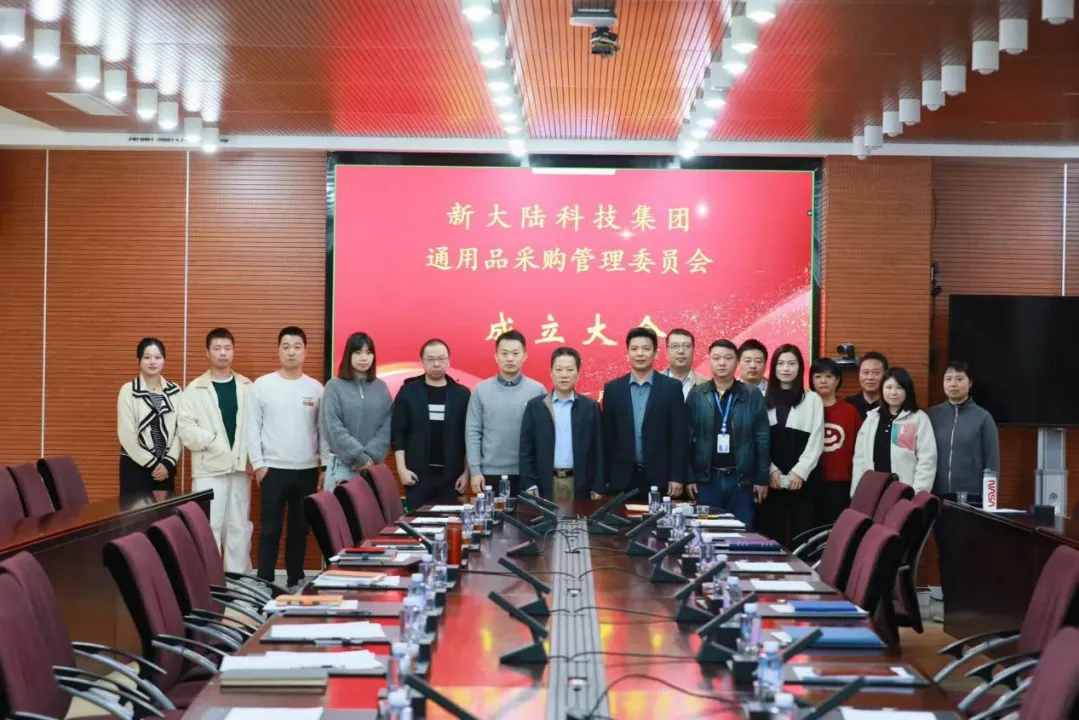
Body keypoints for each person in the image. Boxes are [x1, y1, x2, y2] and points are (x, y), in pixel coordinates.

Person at [248, 326, 328, 591]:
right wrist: (258, 465)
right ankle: (265, 580)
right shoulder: (262, 385)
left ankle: (295, 579)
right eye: (286, 346)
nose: (291, 352)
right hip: (272, 469)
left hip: (306, 470)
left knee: (299, 529)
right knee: (270, 529)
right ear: (278, 351)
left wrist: (323, 466)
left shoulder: (316, 388)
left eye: (297, 347)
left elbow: (323, 431)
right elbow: (252, 428)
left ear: (305, 351)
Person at [177, 328, 254, 573]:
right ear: (207, 352)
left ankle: (237, 582)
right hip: (208, 469)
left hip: (240, 468)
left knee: (238, 527)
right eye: (217, 348)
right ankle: (210, 584)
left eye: (227, 348)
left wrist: (253, 459)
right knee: (209, 527)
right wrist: (213, 441)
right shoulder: (195, 389)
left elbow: (256, 427)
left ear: (233, 351)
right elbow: (186, 430)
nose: (223, 353)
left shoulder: (247, 386)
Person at [686, 339, 770, 525]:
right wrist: (689, 477)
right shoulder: (697, 394)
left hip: (741, 480)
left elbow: (762, 438)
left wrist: (761, 479)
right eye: (716, 358)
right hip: (707, 480)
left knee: (741, 532)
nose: (722, 363)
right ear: (709, 361)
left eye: (728, 358)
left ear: (737, 361)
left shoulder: (752, 395)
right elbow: (687, 438)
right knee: (706, 532)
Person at [602, 327, 689, 498]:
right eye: (634, 349)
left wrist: (677, 477)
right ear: (627, 354)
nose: (640, 354)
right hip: (622, 479)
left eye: (646, 349)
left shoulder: (671, 388)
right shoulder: (613, 389)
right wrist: (605, 478)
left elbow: (679, 436)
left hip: (661, 479)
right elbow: (608, 438)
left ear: (655, 353)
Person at [756, 345, 824, 547]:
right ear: (774, 367)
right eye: (781, 363)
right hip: (771, 479)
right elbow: (757, 440)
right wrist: (770, 470)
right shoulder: (761, 398)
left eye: (791, 363)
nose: (786, 368)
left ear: (800, 368)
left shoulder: (812, 399)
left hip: (803, 480)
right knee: (769, 533)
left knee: (803, 535)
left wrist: (799, 472)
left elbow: (816, 439)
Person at [392, 339, 471, 509]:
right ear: (422, 361)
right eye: (430, 359)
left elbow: (468, 437)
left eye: (441, 358)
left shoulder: (462, 394)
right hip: (417, 477)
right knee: (418, 521)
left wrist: (467, 473)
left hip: (452, 478)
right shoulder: (408, 392)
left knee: (450, 521)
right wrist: (401, 469)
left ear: (449, 360)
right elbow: (398, 433)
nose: (436, 364)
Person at [465, 329, 545, 497]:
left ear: (524, 356)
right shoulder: (481, 390)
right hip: (489, 474)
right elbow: (473, 432)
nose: (510, 358)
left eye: (515, 353)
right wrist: (475, 471)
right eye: (504, 353)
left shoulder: (538, 390)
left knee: (528, 514)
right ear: (496, 356)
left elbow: (545, 435)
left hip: (528, 474)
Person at [520, 347, 604, 501]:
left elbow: (598, 449)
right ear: (551, 373)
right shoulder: (536, 406)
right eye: (559, 369)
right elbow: (526, 449)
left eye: (569, 370)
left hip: (580, 484)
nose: (564, 375)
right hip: (545, 484)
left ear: (578, 373)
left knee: (579, 517)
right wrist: (529, 483)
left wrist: (597, 486)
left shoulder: (590, 407)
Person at [321, 332, 393, 493]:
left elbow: (387, 426)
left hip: (373, 467)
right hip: (342, 468)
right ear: (349, 355)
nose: (363, 358)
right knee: (339, 510)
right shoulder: (334, 386)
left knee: (370, 510)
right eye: (358, 352)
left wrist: (370, 456)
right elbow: (333, 427)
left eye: (368, 352)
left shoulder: (381, 387)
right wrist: (358, 456)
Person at [851, 367, 937, 494]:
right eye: (889, 387)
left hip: (905, 492)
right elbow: (860, 458)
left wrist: (917, 494)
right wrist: (857, 492)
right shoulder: (872, 418)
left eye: (899, 388)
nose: (893, 392)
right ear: (882, 390)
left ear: (907, 390)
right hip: (873, 492)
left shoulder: (918, 418)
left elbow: (927, 459)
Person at [117, 337, 182, 499]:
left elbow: (180, 431)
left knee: (163, 514)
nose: (153, 362)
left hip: (166, 466)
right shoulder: (128, 390)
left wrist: (168, 462)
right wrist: (153, 464)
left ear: (164, 360)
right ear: (138, 360)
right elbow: (127, 435)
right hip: (135, 466)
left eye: (158, 357)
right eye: (147, 357)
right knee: (136, 513)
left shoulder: (175, 391)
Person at [928, 361, 1000, 502]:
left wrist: (989, 500)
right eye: (948, 379)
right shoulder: (932, 415)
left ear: (970, 383)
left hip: (971, 495)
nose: (953, 384)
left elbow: (992, 462)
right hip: (936, 493)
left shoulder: (983, 417)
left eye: (959, 379)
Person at [809, 357, 863, 526]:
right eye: (818, 377)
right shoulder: (804, 409)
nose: (823, 381)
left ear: (837, 380)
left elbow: (860, 449)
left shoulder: (849, 411)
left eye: (828, 376)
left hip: (839, 483)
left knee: (836, 530)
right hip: (807, 481)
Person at [664, 328, 708, 400]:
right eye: (675, 346)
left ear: (693, 351)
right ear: (667, 352)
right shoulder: (652, 382)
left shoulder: (707, 384)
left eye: (686, 346)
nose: (681, 351)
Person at [846, 351, 889, 419]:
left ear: (885, 375)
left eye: (876, 373)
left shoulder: (892, 405)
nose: (870, 377)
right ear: (859, 375)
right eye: (866, 372)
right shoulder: (847, 405)